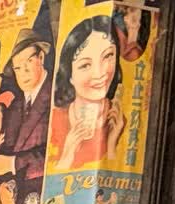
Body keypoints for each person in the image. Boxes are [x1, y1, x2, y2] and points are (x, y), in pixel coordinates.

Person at [50, 15, 124, 172]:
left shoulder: (119, 122)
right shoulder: (53, 121)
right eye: (85, 65)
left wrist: (111, 146)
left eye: (108, 56)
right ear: (69, 74)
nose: (100, 73)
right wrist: (67, 155)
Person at [0, 31, 51, 204]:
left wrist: (13, 163)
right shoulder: (15, 106)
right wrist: (3, 186)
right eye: (17, 68)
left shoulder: (58, 96)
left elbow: (58, 154)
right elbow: (5, 151)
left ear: (41, 57)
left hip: (44, 197)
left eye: (28, 62)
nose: (23, 73)